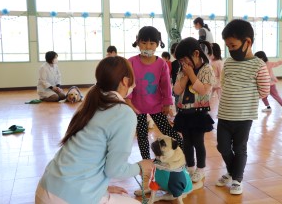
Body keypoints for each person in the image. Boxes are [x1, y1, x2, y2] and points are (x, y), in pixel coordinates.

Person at [35, 56, 153, 204]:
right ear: (125, 81)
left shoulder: (89, 104)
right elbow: (115, 170)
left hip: (46, 189)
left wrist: (102, 188)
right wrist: (141, 167)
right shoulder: (123, 112)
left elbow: (86, 157)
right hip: (71, 197)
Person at [126, 26, 183, 194]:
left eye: (152, 43)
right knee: (142, 136)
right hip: (137, 108)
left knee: (168, 131)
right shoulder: (131, 62)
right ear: (138, 42)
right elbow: (128, 83)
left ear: (158, 44)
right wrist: (128, 101)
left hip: (157, 106)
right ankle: (147, 164)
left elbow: (166, 85)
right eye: (144, 43)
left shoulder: (161, 64)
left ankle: (178, 161)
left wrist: (167, 103)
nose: (148, 47)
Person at [216, 19, 270, 195]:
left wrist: (245, 97)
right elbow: (224, 83)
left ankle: (237, 179)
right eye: (228, 47)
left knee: (239, 148)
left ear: (247, 42)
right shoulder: (229, 63)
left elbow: (264, 91)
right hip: (224, 115)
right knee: (222, 147)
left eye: (233, 45)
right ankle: (232, 172)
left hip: (244, 117)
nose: (231, 50)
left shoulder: (258, 65)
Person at [173, 37, 216, 183]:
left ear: (196, 53)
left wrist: (191, 75)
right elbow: (177, 91)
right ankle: (190, 167)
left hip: (199, 114)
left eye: (185, 59)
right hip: (184, 113)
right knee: (187, 143)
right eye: (180, 61)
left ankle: (201, 169)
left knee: (198, 142)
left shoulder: (206, 69)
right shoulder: (181, 70)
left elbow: (204, 91)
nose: (183, 63)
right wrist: (185, 76)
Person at [209, 43, 224, 118]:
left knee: (221, 99)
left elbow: (222, 74)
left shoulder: (219, 62)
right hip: (211, 83)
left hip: (219, 84)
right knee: (207, 97)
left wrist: (221, 84)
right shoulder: (210, 62)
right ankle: (204, 111)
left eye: (210, 52)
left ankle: (222, 113)